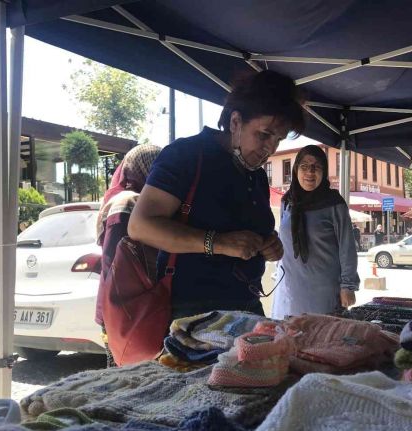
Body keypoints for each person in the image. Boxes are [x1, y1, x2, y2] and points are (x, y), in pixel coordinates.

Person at [129, 70, 304, 319]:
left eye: (278, 139)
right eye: (264, 135)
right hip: (193, 312)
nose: (270, 148)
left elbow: (250, 229)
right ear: (235, 122)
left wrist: (269, 244)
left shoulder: (255, 173)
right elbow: (140, 226)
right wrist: (218, 243)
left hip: (248, 304)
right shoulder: (186, 155)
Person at [271, 145, 359, 318]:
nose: (310, 172)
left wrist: (348, 286)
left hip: (324, 291)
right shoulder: (287, 201)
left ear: (324, 171)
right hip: (290, 287)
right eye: (304, 166)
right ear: (296, 170)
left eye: (316, 167)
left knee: (321, 339)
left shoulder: (334, 203)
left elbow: (347, 247)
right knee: (290, 338)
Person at [95, 145, 161, 367]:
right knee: (127, 378)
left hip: (127, 305)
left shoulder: (138, 201)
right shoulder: (128, 202)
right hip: (127, 307)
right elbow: (115, 263)